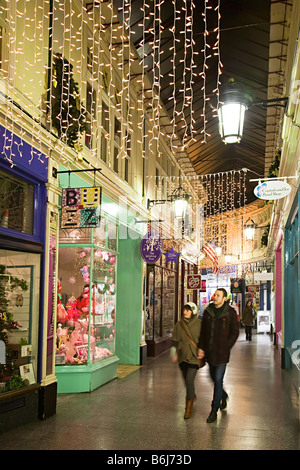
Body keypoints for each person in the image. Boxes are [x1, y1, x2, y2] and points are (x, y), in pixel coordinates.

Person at [198, 288, 239, 423]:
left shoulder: (230, 313)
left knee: (218, 379)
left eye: (218, 295)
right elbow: (203, 332)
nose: (215, 297)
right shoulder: (208, 312)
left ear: (224, 298)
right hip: (210, 352)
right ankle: (224, 395)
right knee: (213, 378)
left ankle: (214, 410)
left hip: (222, 353)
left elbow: (235, 332)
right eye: (215, 295)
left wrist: (226, 346)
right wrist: (201, 348)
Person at [171, 302, 202, 419]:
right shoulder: (179, 325)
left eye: (188, 310)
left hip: (194, 356)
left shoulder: (199, 324)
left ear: (193, 311)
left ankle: (188, 407)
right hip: (182, 355)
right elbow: (174, 339)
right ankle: (191, 394)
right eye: (184, 310)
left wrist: (202, 350)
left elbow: (204, 339)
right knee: (186, 379)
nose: (185, 312)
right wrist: (173, 353)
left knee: (189, 379)